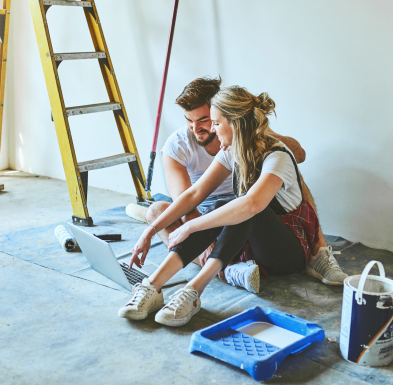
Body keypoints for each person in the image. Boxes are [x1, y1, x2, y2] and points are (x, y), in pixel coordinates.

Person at [118, 86, 346, 326]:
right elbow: (194, 194)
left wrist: (190, 227)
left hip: (289, 253)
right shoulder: (232, 151)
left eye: (216, 123)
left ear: (235, 124)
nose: (214, 130)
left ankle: (193, 291)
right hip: (253, 246)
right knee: (222, 205)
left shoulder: (276, 156)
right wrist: (150, 230)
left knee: (242, 206)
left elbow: (252, 204)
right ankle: (152, 285)